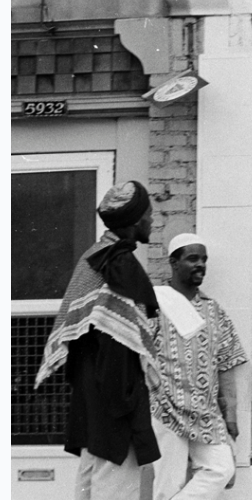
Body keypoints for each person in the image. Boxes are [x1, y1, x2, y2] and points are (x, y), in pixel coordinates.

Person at [34, 181, 161, 500]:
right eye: (148, 213)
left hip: (92, 393)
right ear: (134, 220)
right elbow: (118, 338)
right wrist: (126, 404)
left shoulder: (94, 256)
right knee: (115, 485)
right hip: (114, 396)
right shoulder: (118, 262)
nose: (152, 220)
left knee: (90, 482)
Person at [150, 233, 248, 500]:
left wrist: (230, 415)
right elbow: (138, 356)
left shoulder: (214, 310)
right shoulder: (154, 304)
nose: (200, 265)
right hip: (165, 408)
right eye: (193, 258)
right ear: (174, 263)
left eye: (204, 259)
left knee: (221, 468)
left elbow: (227, 364)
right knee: (168, 484)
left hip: (206, 412)